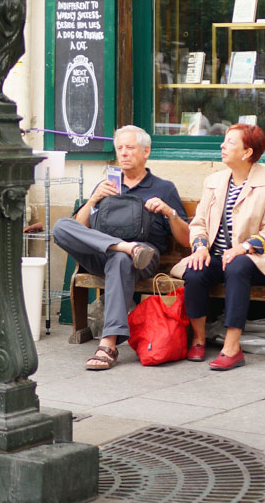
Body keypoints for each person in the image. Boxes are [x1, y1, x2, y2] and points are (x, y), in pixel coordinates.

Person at [171, 123, 265, 370]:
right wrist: (200, 247)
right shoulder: (214, 181)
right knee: (194, 270)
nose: (222, 146)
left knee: (236, 265)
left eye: (230, 142)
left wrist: (243, 247)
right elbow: (199, 222)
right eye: (224, 141)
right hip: (217, 255)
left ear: (247, 153)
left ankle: (232, 348)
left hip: (257, 260)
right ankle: (199, 340)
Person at [53, 126, 190, 371]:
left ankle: (108, 343)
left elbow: (186, 240)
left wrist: (169, 213)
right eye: (120, 148)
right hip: (106, 251)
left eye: (130, 148)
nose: (123, 153)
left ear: (146, 151)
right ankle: (124, 247)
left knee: (121, 260)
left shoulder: (164, 188)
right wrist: (94, 199)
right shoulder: (107, 185)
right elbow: (78, 228)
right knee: (61, 226)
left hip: (144, 256)